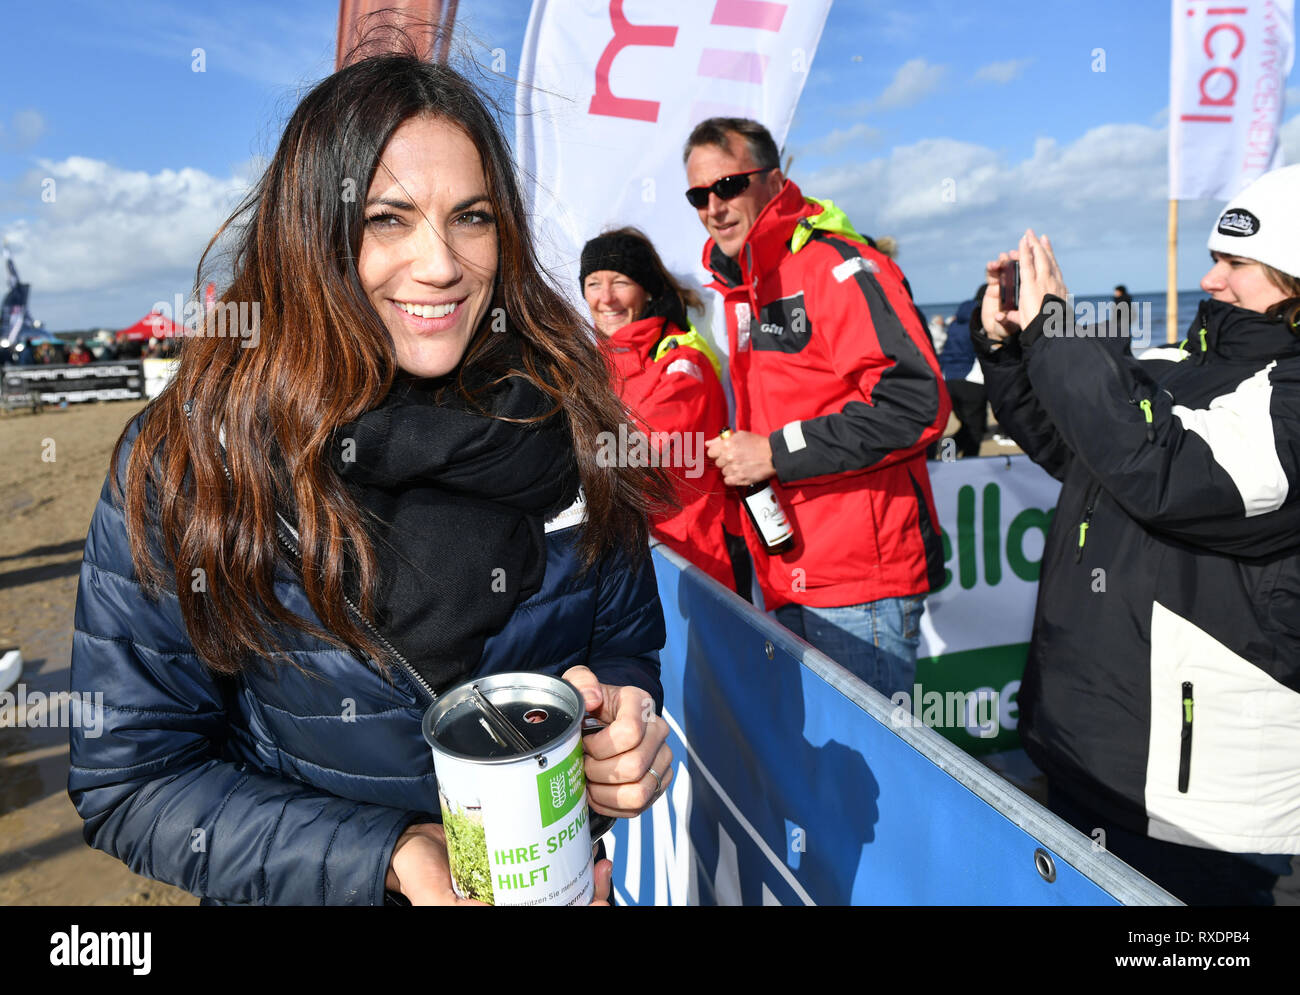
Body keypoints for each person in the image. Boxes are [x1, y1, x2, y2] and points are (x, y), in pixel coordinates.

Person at [68, 53, 675, 907]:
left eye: (471, 216)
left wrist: (622, 725)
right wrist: (388, 855)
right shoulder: (195, 457)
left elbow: (623, 644)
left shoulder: (573, 418)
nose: (441, 264)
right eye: (388, 219)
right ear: (310, 230)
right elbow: (132, 781)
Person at [974, 163, 1300, 905]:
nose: (1211, 279)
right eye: (1212, 257)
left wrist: (1061, 331)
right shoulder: (1187, 363)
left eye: (1236, 263)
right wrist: (1008, 346)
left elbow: (1162, 473)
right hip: (1094, 750)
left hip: (1201, 804)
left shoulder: (1289, 395)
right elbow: (1079, 444)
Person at [687, 117, 951, 697]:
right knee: (827, 780)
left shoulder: (835, 265)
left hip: (861, 590)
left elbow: (916, 404)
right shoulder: (742, 287)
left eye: (728, 185)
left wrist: (774, 452)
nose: (713, 206)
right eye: (698, 195)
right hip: (787, 573)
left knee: (868, 783)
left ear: (774, 179)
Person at [580, 227, 748, 595]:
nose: (605, 298)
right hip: (634, 559)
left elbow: (639, 449)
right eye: (593, 283)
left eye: (620, 282)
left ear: (649, 289)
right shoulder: (590, 366)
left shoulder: (682, 362)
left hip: (698, 558)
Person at [936, 286, 987, 458]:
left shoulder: (955, 323)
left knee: (967, 425)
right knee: (975, 430)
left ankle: (948, 454)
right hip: (972, 379)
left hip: (947, 379)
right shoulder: (982, 320)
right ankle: (968, 468)